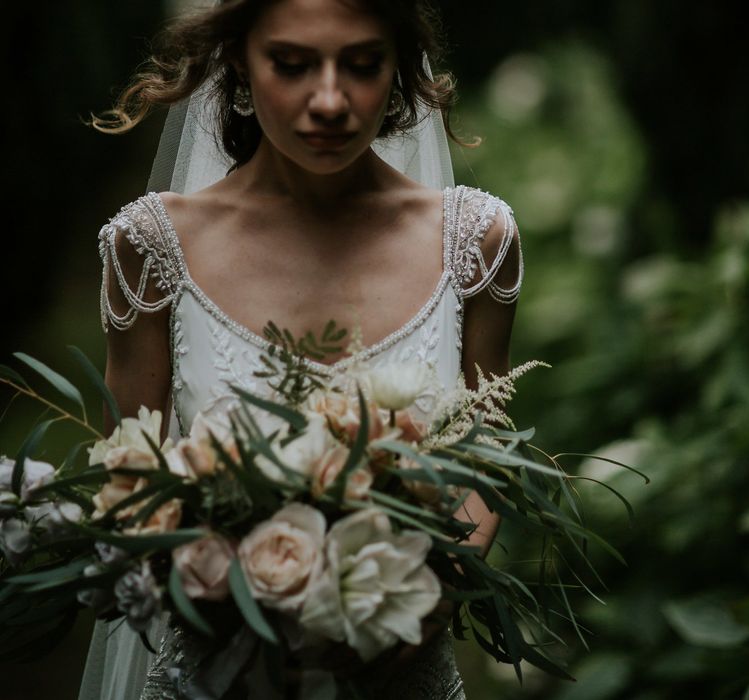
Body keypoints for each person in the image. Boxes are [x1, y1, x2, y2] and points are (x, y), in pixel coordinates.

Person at [80, 0, 523, 697]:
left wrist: (433, 597)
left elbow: (488, 454)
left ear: (401, 67)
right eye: (290, 64)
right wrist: (226, 599)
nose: (329, 101)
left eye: (363, 65)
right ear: (237, 62)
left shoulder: (475, 243)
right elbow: (127, 477)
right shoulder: (151, 247)